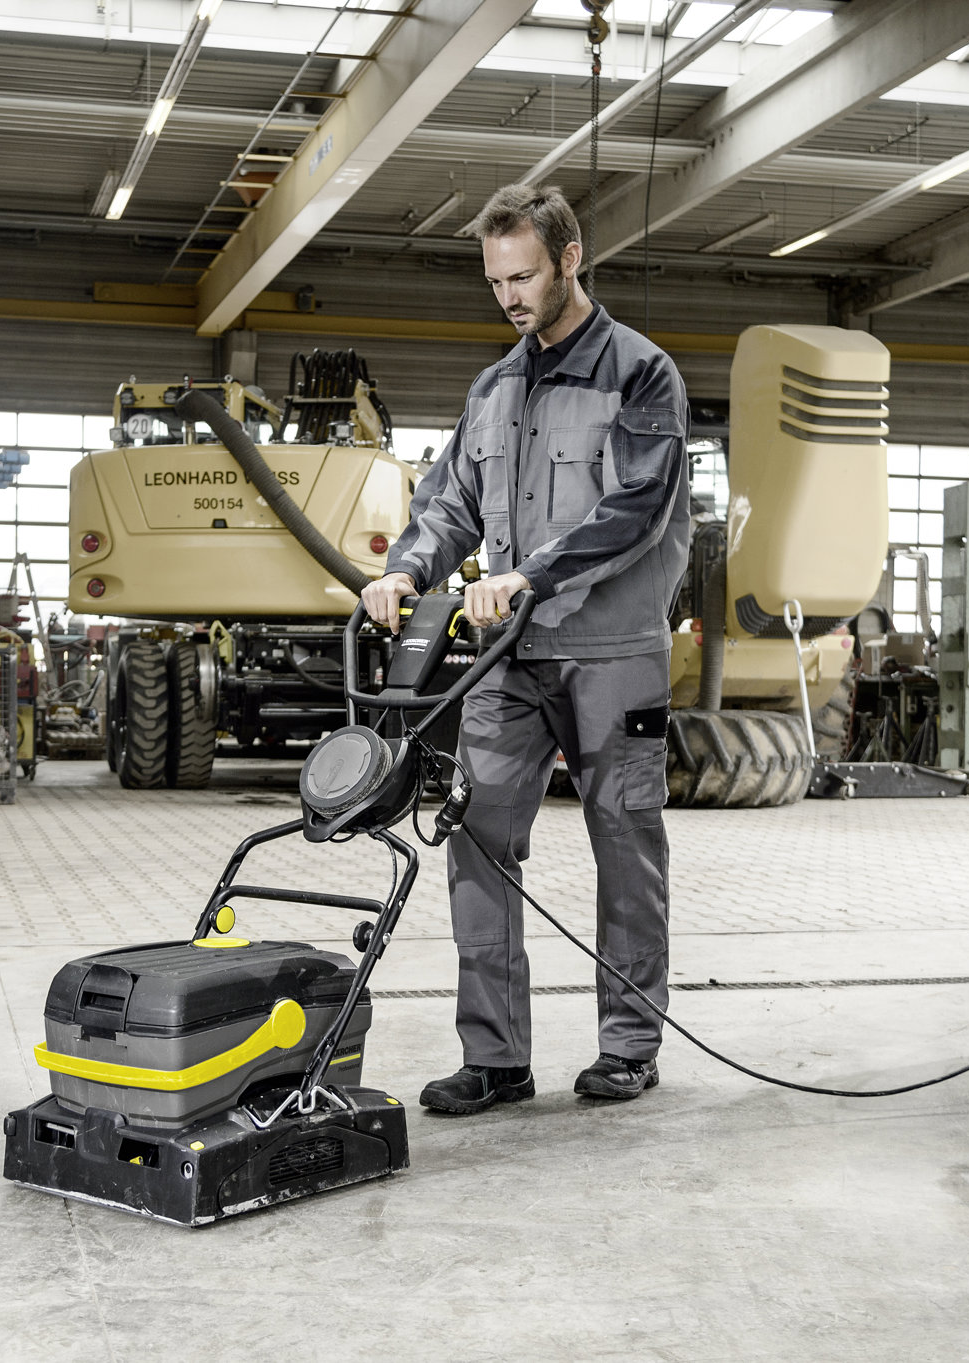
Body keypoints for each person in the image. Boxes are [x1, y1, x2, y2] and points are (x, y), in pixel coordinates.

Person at [362, 183, 691, 1114]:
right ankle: (497, 1056)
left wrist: (530, 575)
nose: (509, 297)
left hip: (612, 652)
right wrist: (405, 570)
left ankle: (628, 1045)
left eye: (525, 276)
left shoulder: (641, 374)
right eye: (496, 280)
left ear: (570, 259)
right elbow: (450, 504)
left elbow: (634, 510)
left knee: (624, 842)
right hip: (506, 654)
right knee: (476, 838)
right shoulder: (494, 388)